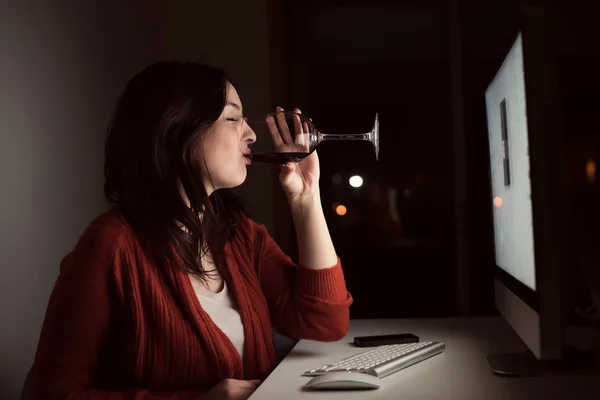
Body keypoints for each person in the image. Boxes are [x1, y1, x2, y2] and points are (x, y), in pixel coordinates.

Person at [29, 62, 353, 400]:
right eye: (233, 118)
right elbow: (51, 393)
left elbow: (326, 322)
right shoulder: (111, 244)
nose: (252, 135)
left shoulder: (239, 235)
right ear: (178, 128)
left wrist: (305, 198)